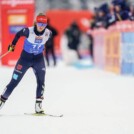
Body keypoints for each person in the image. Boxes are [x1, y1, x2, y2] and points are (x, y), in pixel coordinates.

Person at [0, 13, 52, 114]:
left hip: (38, 60)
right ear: (36, 23)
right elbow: (18, 35)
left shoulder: (48, 33)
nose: (41, 27)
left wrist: (43, 47)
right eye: (39, 24)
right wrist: (13, 45)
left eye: (44, 25)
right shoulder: (28, 31)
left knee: (41, 81)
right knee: (14, 82)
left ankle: (38, 106)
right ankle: (1, 101)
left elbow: (48, 41)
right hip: (24, 60)